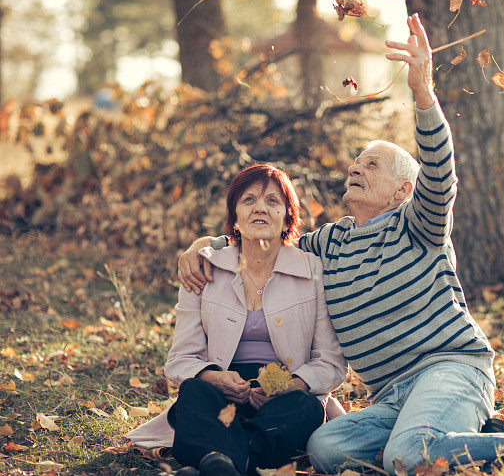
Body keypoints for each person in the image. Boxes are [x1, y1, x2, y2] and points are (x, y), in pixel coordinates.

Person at [178, 14, 504, 473]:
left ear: (403, 190)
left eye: (373, 165)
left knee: (410, 454)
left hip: (450, 368)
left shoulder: (418, 224)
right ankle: (467, 439)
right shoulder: (328, 243)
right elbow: (264, 240)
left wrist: (423, 93)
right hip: (389, 395)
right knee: (326, 450)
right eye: (357, 163)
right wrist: (204, 244)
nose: (356, 169)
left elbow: (440, 174)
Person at [127, 164, 347, 476]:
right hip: (220, 394)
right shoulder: (204, 269)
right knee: (194, 391)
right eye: (248, 200)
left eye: (272, 201)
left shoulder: (312, 270)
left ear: (288, 218)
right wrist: (214, 378)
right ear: (235, 219)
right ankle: (243, 462)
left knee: (308, 407)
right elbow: (180, 360)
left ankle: (219, 461)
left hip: (280, 401)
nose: (260, 207)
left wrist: (292, 386)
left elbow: (331, 362)